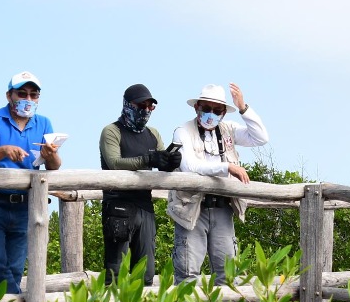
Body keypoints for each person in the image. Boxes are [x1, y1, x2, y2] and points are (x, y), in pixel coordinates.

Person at [0, 71, 63, 293]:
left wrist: (51, 156)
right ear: (9, 96)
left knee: (13, 270)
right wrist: (3, 151)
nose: (28, 99)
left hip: (25, 206)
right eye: (22, 94)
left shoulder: (44, 123)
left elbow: (54, 166)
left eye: (34, 95)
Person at [168, 83, 268, 285]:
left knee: (228, 277)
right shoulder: (182, 131)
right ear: (196, 107)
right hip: (192, 209)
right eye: (206, 108)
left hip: (223, 209)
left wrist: (243, 108)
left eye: (216, 110)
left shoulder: (228, 130)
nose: (210, 114)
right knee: (188, 274)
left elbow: (261, 138)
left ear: (223, 113)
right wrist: (227, 167)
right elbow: (188, 166)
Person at [99, 84, 165, 285]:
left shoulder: (153, 133)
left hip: (145, 206)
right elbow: (114, 163)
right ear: (127, 104)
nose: (145, 110)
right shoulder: (111, 131)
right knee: (115, 273)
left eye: (150, 107)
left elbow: (160, 159)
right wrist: (149, 160)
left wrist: (169, 161)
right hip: (118, 206)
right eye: (140, 105)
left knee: (146, 273)